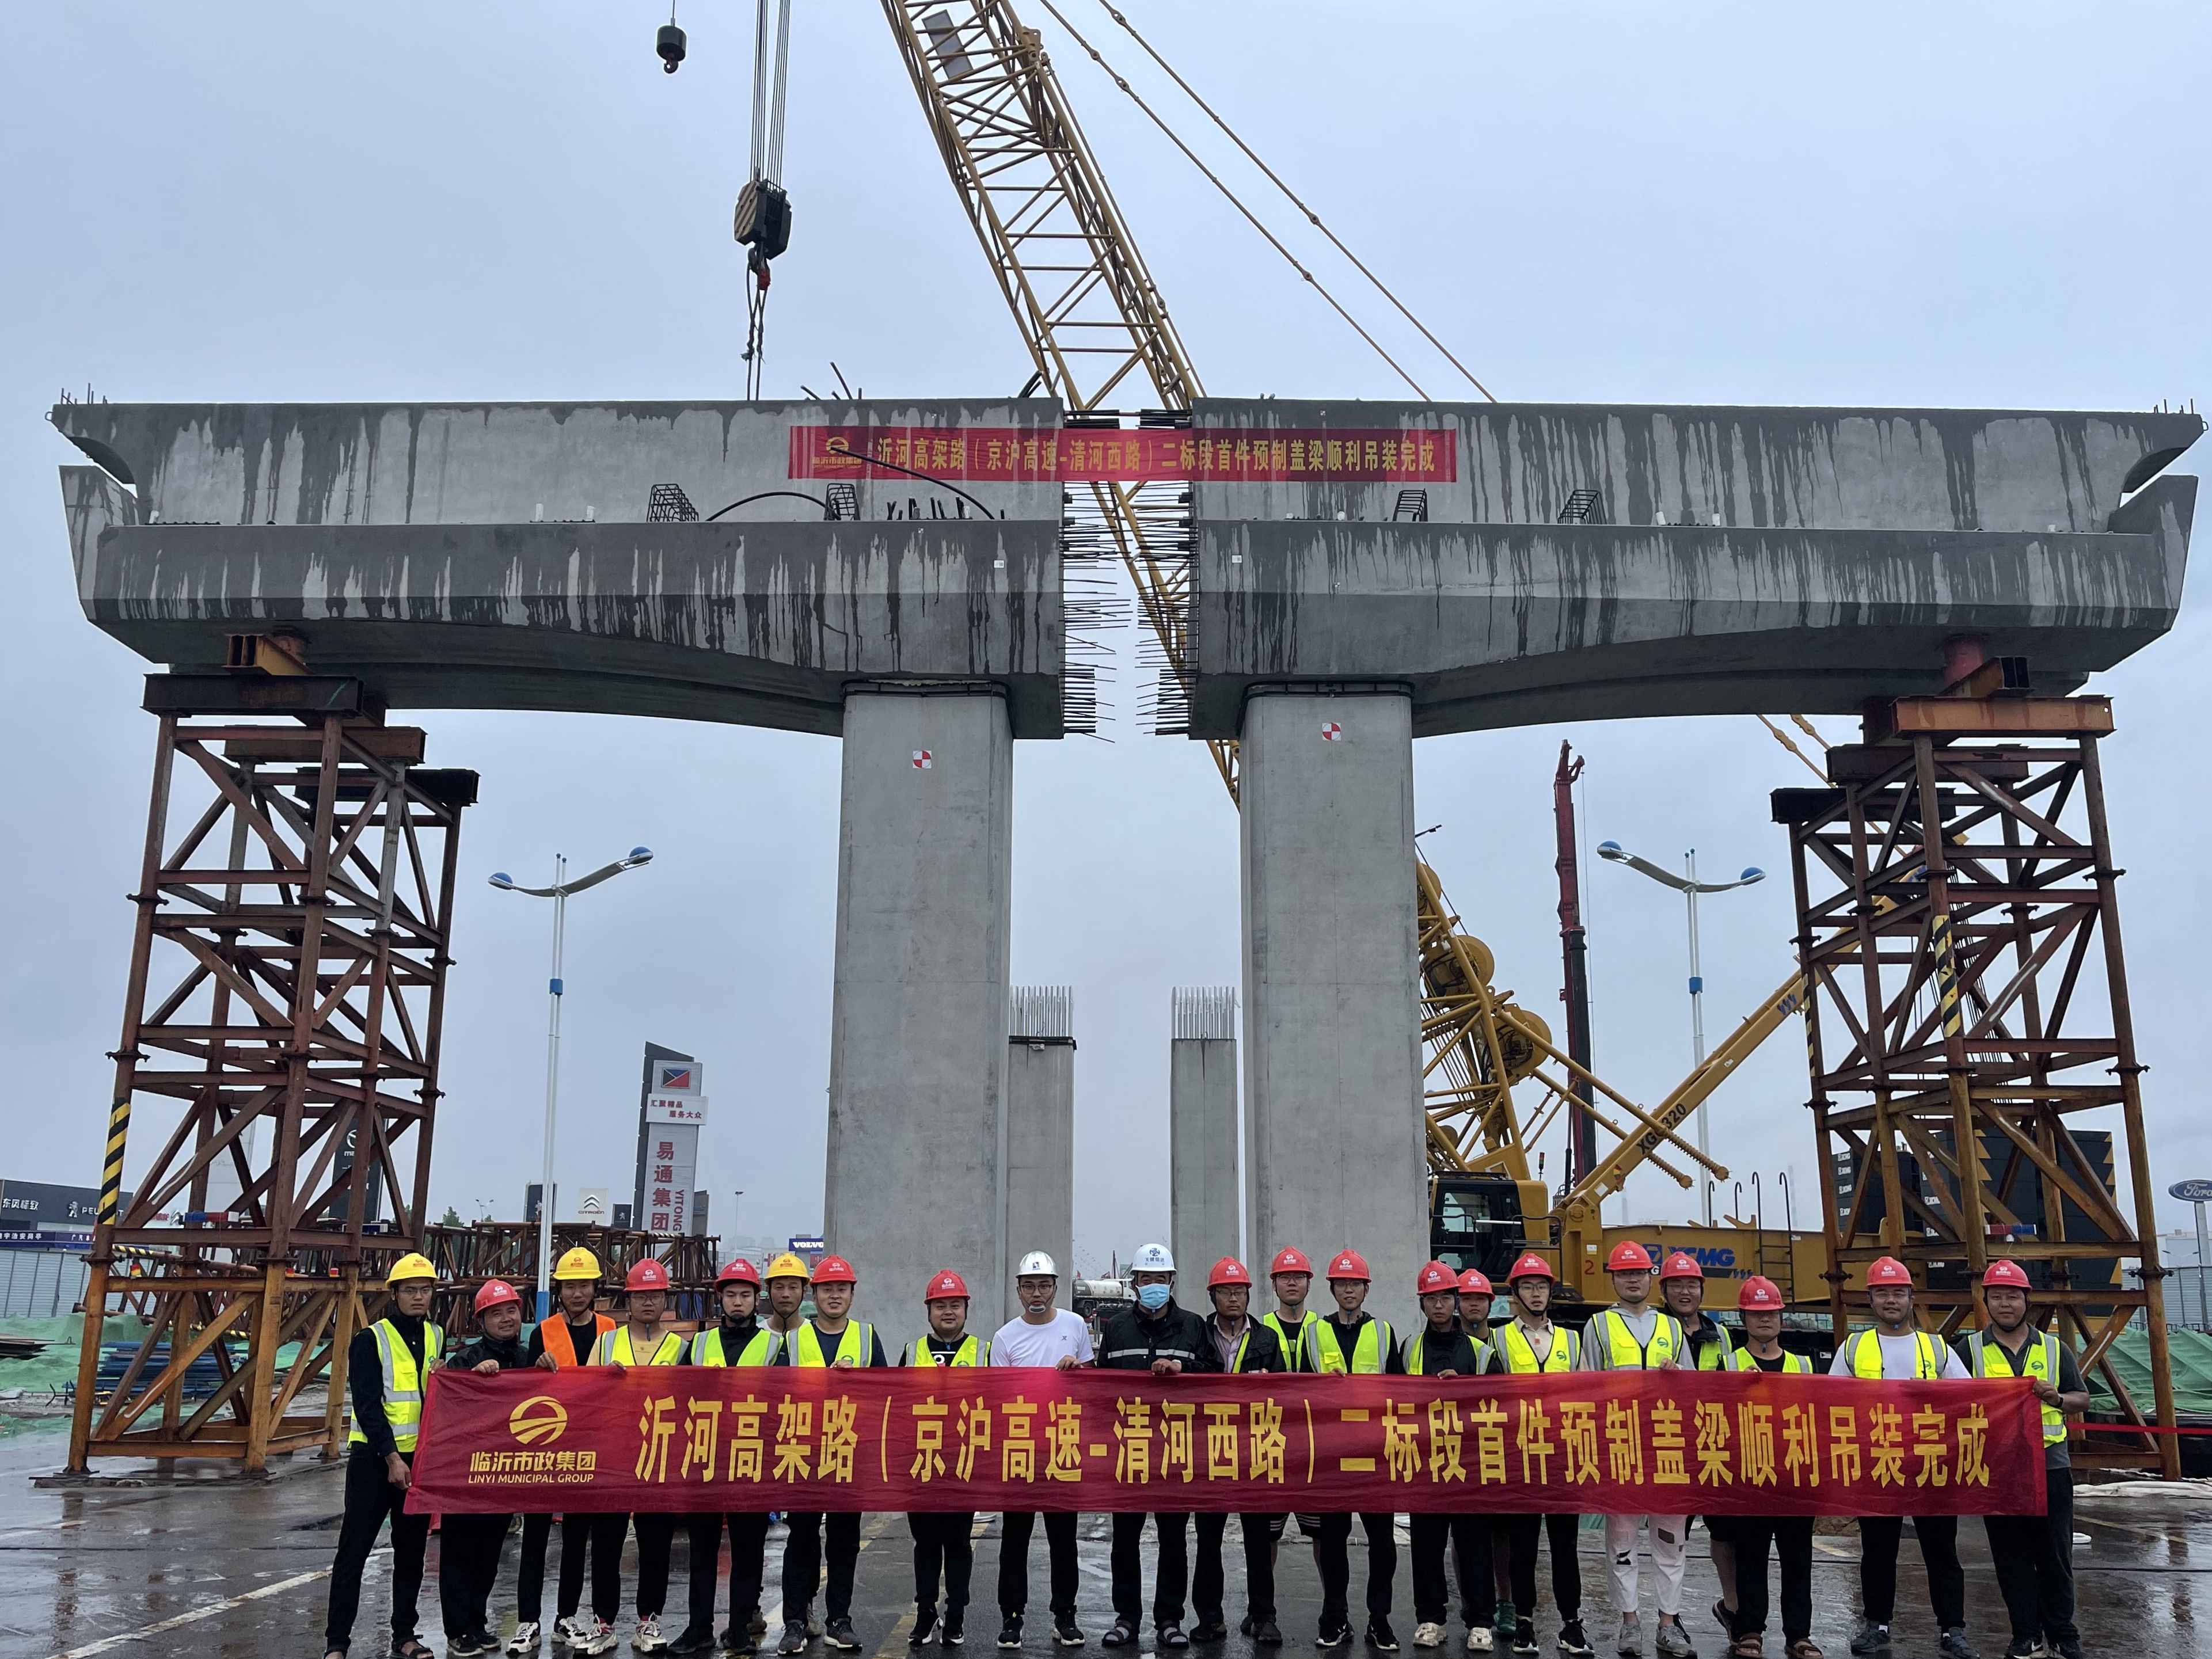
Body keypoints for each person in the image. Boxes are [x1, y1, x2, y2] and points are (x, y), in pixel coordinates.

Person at [1826, 1257, 1974, 1659]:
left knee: (1942, 1552)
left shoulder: (1936, 1347)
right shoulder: (1854, 1348)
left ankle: (1952, 1629)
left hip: (1931, 1465)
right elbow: (1829, 1405)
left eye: (1897, 1293)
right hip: (1879, 1465)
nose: (1890, 1300)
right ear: (1870, 1299)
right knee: (1878, 1551)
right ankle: (1876, 1624)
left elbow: (1968, 1399)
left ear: (1911, 1298)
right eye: (1882, 1293)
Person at [1096, 1243, 1222, 1650]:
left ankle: (1170, 1619)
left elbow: (1215, 1377)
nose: (1153, 1285)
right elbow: (1100, 1384)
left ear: (1172, 1282)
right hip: (1129, 1449)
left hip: (1176, 1449)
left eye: (1160, 1279)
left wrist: (1183, 1369)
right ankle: (1126, 1618)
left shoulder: (1193, 1326)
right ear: (1134, 1283)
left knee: (1173, 1539)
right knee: (1125, 1539)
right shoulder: (1116, 1328)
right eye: (1145, 1279)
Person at [1961, 1261, 2087, 1659]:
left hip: (2050, 1467)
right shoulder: (1968, 1350)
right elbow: (1948, 1401)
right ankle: (2025, 1634)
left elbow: (2081, 1397)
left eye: (2013, 1296)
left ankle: (2063, 1635)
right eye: (1997, 1297)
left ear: (2026, 1301)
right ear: (1986, 1302)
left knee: (2055, 1555)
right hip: (1998, 1470)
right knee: (2010, 1557)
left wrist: (2058, 1399)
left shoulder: (2054, 1348)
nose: (2005, 1304)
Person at [323, 1251, 446, 1659]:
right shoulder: (370, 1339)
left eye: (424, 1290)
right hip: (374, 1462)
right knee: (353, 1553)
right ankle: (337, 1643)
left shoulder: (436, 1335)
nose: (417, 1297)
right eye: (409, 1290)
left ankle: (405, 1635)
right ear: (394, 1294)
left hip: (418, 1462)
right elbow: (367, 1405)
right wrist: (392, 1458)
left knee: (411, 1552)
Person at [1579, 1242, 1694, 1659]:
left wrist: (1677, 1377)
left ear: (1651, 1278)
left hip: (1666, 1447)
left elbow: (1693, 1390)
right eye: (1625, 1273)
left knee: (1671, 1538)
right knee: (1622, 1538)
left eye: (1640, 1273)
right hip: (1619, 1444)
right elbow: (1587, 1385)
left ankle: (1669, 1622)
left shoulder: (1672, 1327)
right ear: (1613, 1279)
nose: (1633, 1279)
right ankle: (1629, 1622)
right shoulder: (1598, 1326)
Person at [776, 1253, 887, 1656]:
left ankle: (840, 1619)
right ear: (815, 1294)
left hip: (847, 1452)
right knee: (801, 1539)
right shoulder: (793, 1340)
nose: (835, 1296)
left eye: (842, 1289)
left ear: (852, 1295)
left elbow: (884, 1397)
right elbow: (778, 1397)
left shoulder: (866, 1336)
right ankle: (794, 1620)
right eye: (827, 1289)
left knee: (844, 1540)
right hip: (802, 1453)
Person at [1485, 1253, 1589, 1659]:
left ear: (1551, 1293)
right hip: (1520, 1454)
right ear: (1515, 1294)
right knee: (1522, 1544)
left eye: (1541, 1286)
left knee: (1566, 1544)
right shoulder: (1498, 1339)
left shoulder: (1571, 1340)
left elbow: (1588, 1396)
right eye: (1527, 1286)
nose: (1536, 1293)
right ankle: (1525, 1621)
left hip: (1562, 1456)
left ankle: (1570, 1622)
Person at [517, 1246, 620, 1655]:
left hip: (591, 1449)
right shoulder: (543, 1331)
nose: (577, 1294)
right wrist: (536, 1369)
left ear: (595, 1288)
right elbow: (525, 1389)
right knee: (536, 1538)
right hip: (549, 1447)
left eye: (584, 1286)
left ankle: (565, 1617)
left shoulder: (611, 1329)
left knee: (577, 1538)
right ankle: (528, 1620)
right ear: (559, 1290)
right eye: (570, 1287)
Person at [991, 1249, 1093, 1652]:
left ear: (1055, 1288)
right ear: (1018, 1290)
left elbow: (1090, 1381)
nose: (1038, 1292)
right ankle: (1011, 1617)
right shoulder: (1005, 1337)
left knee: (1063, 1539)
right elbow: (997, 1398)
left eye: (1045, 1285)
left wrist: (1078, 1369)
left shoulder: (1074, 1325)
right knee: (1014, 1539)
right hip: (1021, 1448)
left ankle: (1064, 1616)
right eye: (1030, 1285)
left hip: (1064, 1447)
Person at [681, 1257, 781, 1657]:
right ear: (720, 1298)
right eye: (731, 1295)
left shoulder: (775, 1346)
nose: (738, 1302)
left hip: (752, 1461)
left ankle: (739, 1627)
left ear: (757, 1300)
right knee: (702, 1549)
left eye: (745, 1295)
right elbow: (676, 1397)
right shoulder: (700, 1344)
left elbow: (788, 1403)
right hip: (706, 1458)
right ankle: (698, 1627)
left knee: (748, 1549)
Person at [1309, 1248, 1403, 1653]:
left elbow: (1400, 1388)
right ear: (1332, 1289)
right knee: (1332, 1542)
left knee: (1382, 1541)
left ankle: (1379, 1620)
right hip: (1331, 1454)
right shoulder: (1316, 1332)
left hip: (1374, 1452)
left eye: (1355, 1284)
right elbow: (1296, 1388)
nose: (1349, 1290)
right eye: (1342, 1284)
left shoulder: (1383, 1332)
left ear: (1366, 1289)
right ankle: (1335, 1617)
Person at [1717, 1278, 1817, 1659]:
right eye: (1756, 1314)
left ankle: (1799, 1635)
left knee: (1798, 1559)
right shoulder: (1728, 1365)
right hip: (1749, 1477)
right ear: (1744, 1318)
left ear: (1781, 1317)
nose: (1765, 1320)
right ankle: (1750, 1630)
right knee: (1750, 1557)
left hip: (1794, 1476)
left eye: (1771, 1313)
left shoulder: (1803, 1365)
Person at [1191, 1257, 1286, 1647]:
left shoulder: (1266, 1339)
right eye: (1226, 1291)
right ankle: (1209, 1618)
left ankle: (1263, 1616)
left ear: (1249, 1295)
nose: (1234, 1297)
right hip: (1210, 1450)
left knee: (1257, 1538)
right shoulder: (1197, 1337)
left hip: (1254, 1450)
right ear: (1213, 1296)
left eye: (1240, 1291)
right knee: (1208, 1538)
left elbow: (1284, 1394)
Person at [602, 1258, 691, 1654]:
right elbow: (584, 1394)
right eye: (641, 1296)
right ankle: (603, 1622)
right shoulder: (606, 1343)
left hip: (660, 1456)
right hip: (615, 1456)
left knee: (656, 1543)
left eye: (655, 1295)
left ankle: (648, 1619)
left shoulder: (681, 1348)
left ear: (666, 1299)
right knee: (607, 1541)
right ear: (629, 1300)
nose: (649, 1302)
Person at [440, 1280, 533, 1657]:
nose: (506, 1318)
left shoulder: (528, 1359)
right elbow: (446, 1406)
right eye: (497, 1313)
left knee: (489, 1557)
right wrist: (473, 1379)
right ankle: (457, 1629)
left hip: (504, 1476)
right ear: (482, 1320)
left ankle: (477, 1624)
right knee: (459, 1555)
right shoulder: (465, 1360)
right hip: (466, 1477)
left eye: (511, 1310)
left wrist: (547, 1371)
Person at [1405, 1262, 1493, 1655]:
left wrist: (1466, 1392)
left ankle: (1479, 1622)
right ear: (1422, 1304)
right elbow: (1391, 1403)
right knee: (1425, 1543)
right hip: (1423, 1460)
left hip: (1470, 1461)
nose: (1439, 1305)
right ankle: (1431, 1618)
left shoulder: (1481, 1352)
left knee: (1474, 1543)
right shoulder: (1409, 1348)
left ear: (1455, 1302)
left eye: (1445, 1297)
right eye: (1431, 1298)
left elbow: (1501, 1405)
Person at [903, 1269, 990, 1649]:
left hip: (963, 1465)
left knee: (957, 1543)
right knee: (925, 1544)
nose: (948, 1312)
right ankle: (926, 1613)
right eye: (941, 1305)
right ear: (929, 1311)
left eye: (955, 1304)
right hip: (922, 1464)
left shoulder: (984, 1351)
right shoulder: (912, 1350)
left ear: (966, 1309)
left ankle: (955, 1614)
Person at [1658, 1254, 1737, 1640]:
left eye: (1692, 1285)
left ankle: (1732, 1608)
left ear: (1702, 1290)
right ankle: (1669, 1616)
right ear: (1665, 1292)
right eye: (1677, 1285)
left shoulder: (1718, 1334)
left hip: (1712, 1444)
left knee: (1724, 1532)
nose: (1685, 1292)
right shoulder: (1656, 1330)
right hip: (1671, 1443)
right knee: (1674, 1535)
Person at [1458, 1270, 1515, 1652]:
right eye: (1467, 1298)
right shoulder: (1447, 1344)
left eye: (1481, 1299)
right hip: (1459, 1453)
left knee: (1501, 1534)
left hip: (1498, 1448)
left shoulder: (1503, 1345)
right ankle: (1471, 1605)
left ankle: (1506, 1602)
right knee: (1462, 1537)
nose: (1474, 1304)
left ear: (1490, 1304)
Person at [1259, 1247, 1324, 1573]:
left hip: (1315, 1448)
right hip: (1273, 1446)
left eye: (1298, 1277)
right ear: (1274, 1284)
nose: (1292, 1283)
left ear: (1309, 1283)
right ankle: (1262, 1613)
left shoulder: (1323, 1330)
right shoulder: (1260, 1331)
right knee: (1267, 1536)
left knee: (1323, 1535)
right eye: (1285, 1277)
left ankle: (1333, 1617)